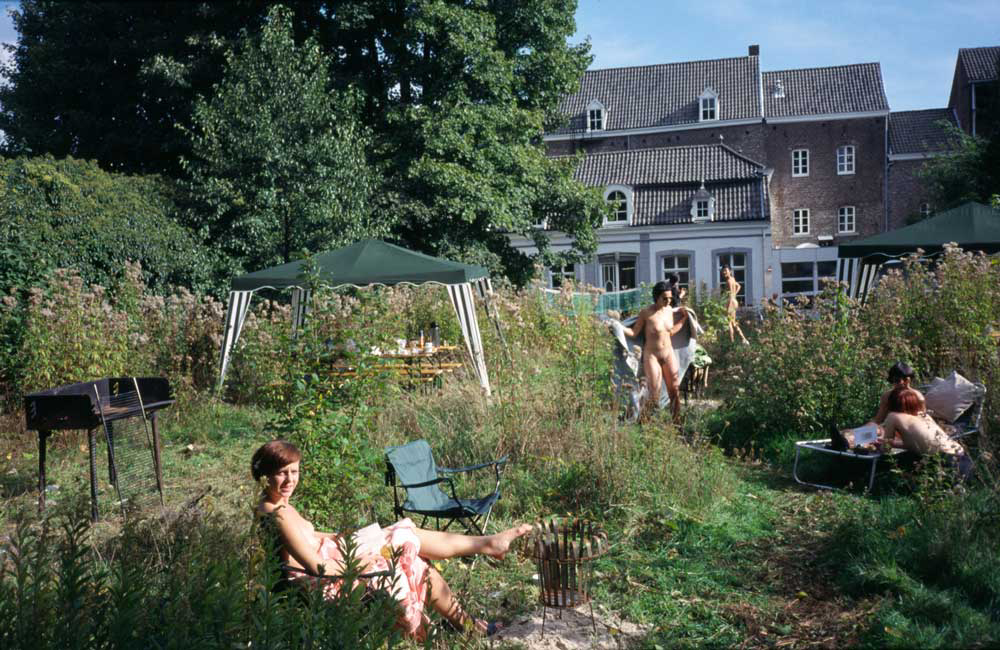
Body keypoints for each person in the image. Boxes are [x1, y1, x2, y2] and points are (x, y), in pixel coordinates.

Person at [252, 440, 532, 639]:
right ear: (264, 475)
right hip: (319, 582)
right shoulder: (276, 513)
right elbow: (316, 567)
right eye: (281, 473)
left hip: (331, 556)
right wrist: (361, 562)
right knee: (411, 555)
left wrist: (343, 536)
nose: (290, 480)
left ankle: (466, 621)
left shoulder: (279, 504)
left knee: (405, 539)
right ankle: (482, 561)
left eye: (294, 471)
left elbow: (308, 536)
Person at [620, 281, 689, 423]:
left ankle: (677, 424)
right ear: (656, 297)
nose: (668, 301)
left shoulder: (669, 310)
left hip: (668, 353)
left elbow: (671, 331)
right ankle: (643, 422)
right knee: (654, 394)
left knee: (674, 390)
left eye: (670, 298)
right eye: (665, 298)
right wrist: (618, 327)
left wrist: (683, 319)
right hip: (652, 356)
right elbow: (634, 333)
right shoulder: (646, 313)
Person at [881, 386, 973, 481]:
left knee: (904, 472)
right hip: (963, 460)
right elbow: (920, 443)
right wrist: (895, 444)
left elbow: (885, 448)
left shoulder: (893, 416)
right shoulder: (924, 416)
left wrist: (878, 443)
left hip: (944, 463)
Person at [830, 362, 927, 451]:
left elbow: (920, 423)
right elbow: (878, 420)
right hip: (889, 430)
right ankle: (846, 439)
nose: (895, 384)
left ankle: (848, 442)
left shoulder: (917, 397)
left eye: (898, 381)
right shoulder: (888, 396)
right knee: (874, 430)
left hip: (907, 434)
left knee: (877, 433)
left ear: (907, 380)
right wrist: (857, 430)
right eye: (893, 381)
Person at [721, 265, 749, 345]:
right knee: (733, 322)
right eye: (723, 271)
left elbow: (730, 294)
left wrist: (728, 305)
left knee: (729, 322)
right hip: (734, 301)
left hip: (731, 302)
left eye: (726, 270)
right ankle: (744, 339)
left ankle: (732, 342)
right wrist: (735, 294)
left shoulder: (729, 281)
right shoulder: (733, 279)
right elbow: (739, 286)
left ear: (730, 271)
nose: (724, 272)